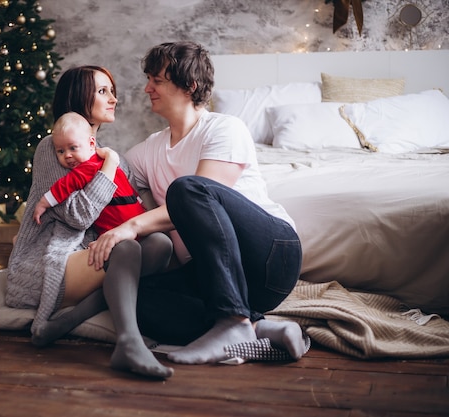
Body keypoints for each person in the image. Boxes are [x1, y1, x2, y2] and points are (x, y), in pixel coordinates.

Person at [87, 42, 308, 365]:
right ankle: (260, 329)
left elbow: (203, 194)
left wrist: (131, 227)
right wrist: (82, 128)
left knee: (186, 190)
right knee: (133, 299)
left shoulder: (225, 128)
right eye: (149, 79)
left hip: (271, 257)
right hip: (213, 274)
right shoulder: (150, 149)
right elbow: (103, 176)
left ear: (189, 85)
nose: (147, 88)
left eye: (157, 81)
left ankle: (234, 321)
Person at [6, 66, 174, 379]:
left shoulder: (111, 156)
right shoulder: (53, 148)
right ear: (78, 96)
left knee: (160, 245)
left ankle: (66, 323)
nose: (114, 99)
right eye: (102, 91)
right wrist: (109, 166)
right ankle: (129, 342)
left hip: (89, 256)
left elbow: (129, 212)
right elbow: (79, 216)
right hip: (49, 262)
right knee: (125, 249)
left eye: (112, 90)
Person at [32, 112, 145, 236]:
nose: (67, 155)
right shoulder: (107, 161)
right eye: (61, 151)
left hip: (127, 223)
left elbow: (64, 186)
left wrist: (43, 202)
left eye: (73, 148)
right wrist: (140, 202)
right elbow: (65, 186)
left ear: (91, 144)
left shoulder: (88, 167)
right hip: (120, 227)